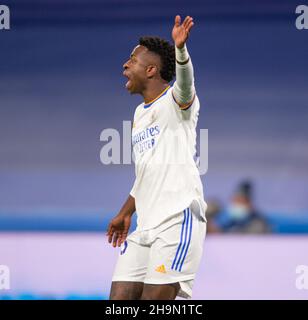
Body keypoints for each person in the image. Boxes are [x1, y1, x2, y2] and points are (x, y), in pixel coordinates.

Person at [107, 15, 207, 300]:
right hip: (145, 227)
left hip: (177, 219)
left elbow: (186, 83)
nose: (125, 65)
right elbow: (147, 174)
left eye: (132, 60)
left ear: (151, 70)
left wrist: (181, 50)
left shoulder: (178, 102)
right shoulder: (139, 115)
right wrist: (127, 211)